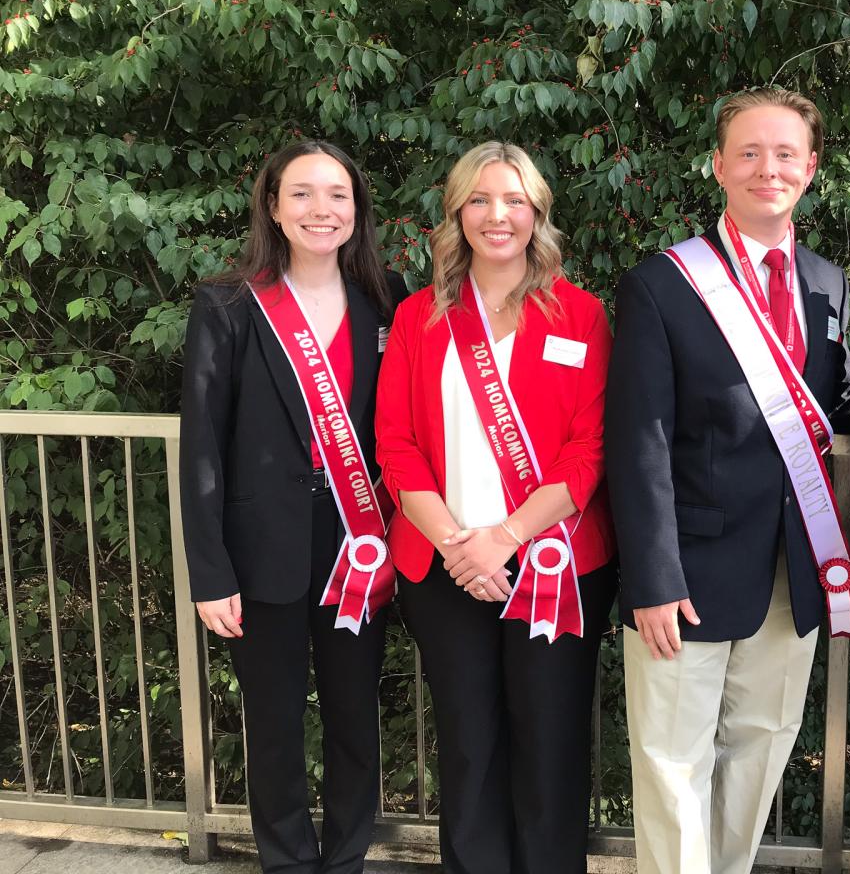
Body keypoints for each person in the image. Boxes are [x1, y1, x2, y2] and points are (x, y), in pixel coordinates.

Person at [606, 88, 850, 874]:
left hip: (793, 567)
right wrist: (650, 576)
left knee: (760, 753)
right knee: (673, 763)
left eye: (785, 154)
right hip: (686, 573)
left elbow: (837, 410)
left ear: (810, 170)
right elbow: (638, 437)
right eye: (748, 152)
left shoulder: (828, 283)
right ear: (718, 165)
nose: (766, 168)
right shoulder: (662, 283)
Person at [374, 141, 615, 874]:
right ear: (456, 213)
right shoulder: (419, 317)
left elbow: (588, 451)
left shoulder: (581, 316)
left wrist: (505, 537)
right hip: (444, 565)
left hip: (555, 562)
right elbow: (396, 444)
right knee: (470, 740)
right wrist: (458, 545)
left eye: (512, 199)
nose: (496, 214)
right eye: (478, 199)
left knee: (549, 739)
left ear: (537, 210)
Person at [180, 139, 408, 874]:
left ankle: (345, 859)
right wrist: (210, 571)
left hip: (359, 546)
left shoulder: (389, 296)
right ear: (274, 208)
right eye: (303, 194)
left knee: (354, 722)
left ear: (356, 209)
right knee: (272, 724)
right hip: (259, 550)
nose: (321, 209)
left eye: (337, 195)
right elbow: (204, 446)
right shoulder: (227, 304)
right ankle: (286, 861)